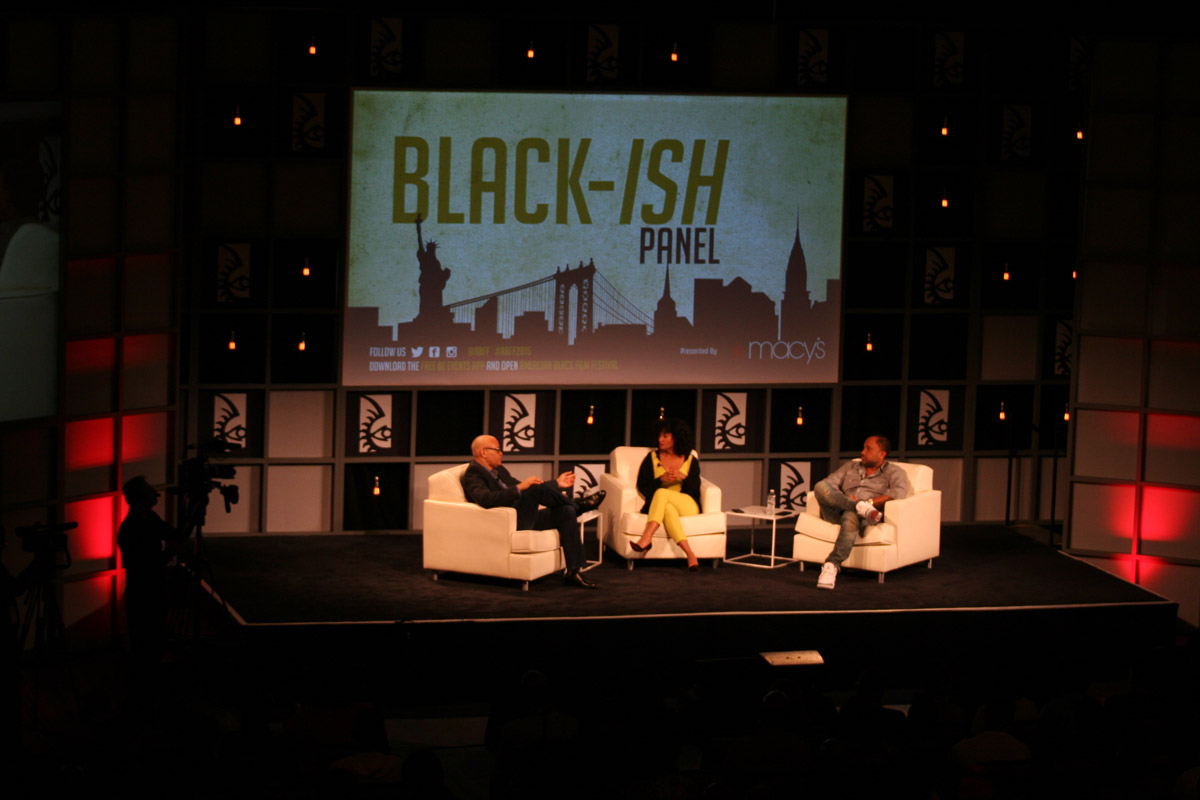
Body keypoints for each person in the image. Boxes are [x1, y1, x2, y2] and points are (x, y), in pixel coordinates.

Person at [461, 435, 604, 589]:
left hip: (523, 516)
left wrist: (556, 483)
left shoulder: (499, 470)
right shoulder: (473, 474)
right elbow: (486, 499)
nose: (501, 453)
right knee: (534, 489)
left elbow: (523, 487)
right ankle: (579, 505)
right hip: (507, 522)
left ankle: (573, 571)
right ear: (483, 452)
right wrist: (520, 487)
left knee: (566, 511)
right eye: (497, 450)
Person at [811, 435, 909, 590]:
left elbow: (899, 493)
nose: (862, 452)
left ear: (882, 454)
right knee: (819, 486)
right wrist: (848, 500)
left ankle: (831, 565)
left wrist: (870, 503)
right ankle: (857, 506)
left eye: (868, 449)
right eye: (863, 447)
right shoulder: (851, 466)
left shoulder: (894, 471)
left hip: (867, 516)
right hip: (838, 509)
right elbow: (829, 483)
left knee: (851, 516)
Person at [117, 476, 188, 658]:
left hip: (144, 592)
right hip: (146, 594)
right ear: (140, 498)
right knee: (149, 644)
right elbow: (148, 564)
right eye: (150, 491)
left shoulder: (143, 520)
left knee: (146, 644)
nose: (156, 494)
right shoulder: (140, 524)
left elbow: (174, 536)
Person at [630, 418, 704, 571]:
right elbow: (642, 486)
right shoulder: (652, 458)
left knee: (662, 493)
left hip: (688, 504)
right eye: (659, 436)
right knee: (668, 508)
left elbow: (695, 488)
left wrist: (683, 477)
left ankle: (647, 537)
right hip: (663, 506)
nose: (659, 440)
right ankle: (690, 554)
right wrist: (660, 480)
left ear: (676, 437)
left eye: (665, 436)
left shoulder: (690, 459)